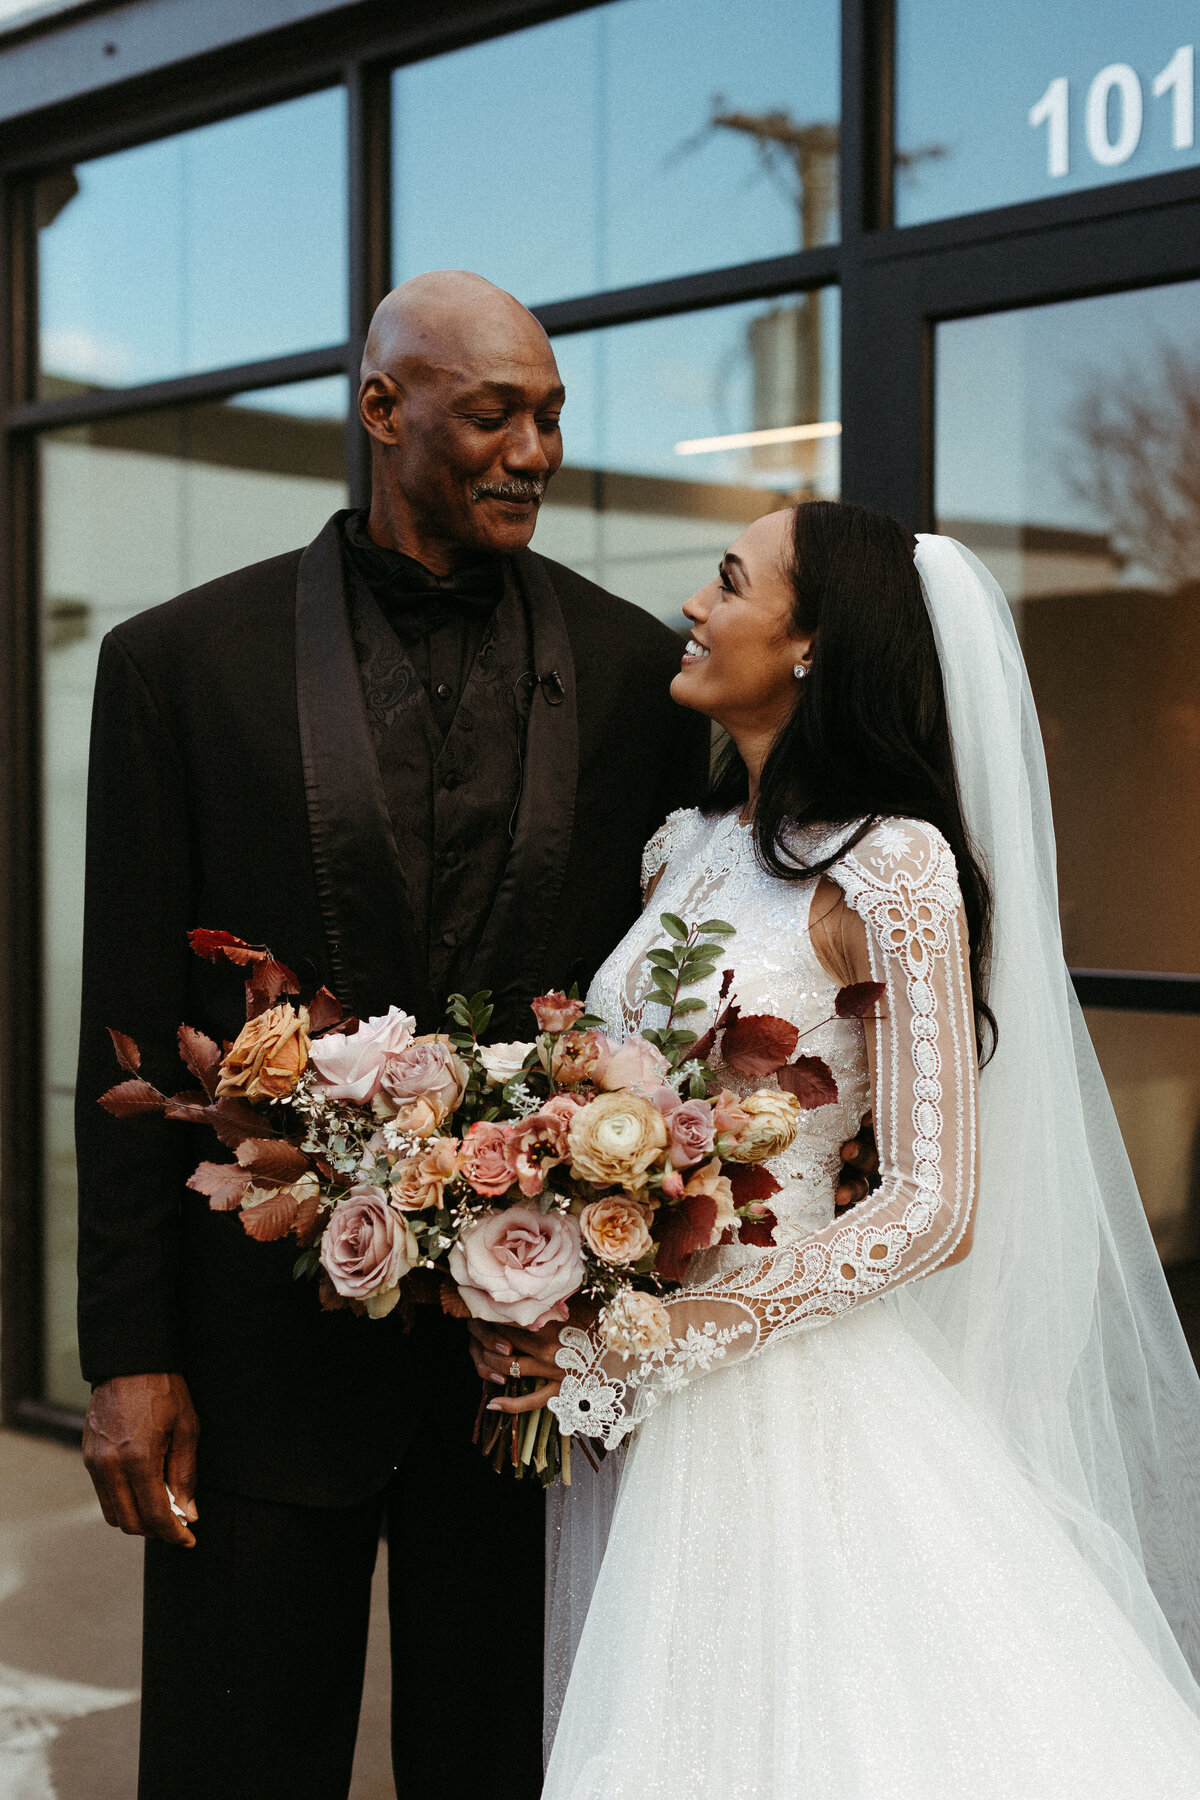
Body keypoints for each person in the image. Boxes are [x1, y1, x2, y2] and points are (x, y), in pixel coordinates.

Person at [73, 270, 716, 1800]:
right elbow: (126, 1047)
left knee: (506, 1766)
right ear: (383, 411)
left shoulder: (640, 677)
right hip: (255, 1372)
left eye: (553, 416)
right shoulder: (179, 667)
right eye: (496, 412)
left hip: (525, 1382)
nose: (537, 449)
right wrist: (128, 1355)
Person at [473, 501, 1200, 1796]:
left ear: (812, 646)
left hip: (780, 1397)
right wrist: (555, 1284)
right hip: (624, 1396)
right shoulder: (677, 850)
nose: (693, 606)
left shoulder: (893, 866)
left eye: (728, 580)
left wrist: (685, 1336)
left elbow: (933, 1204)